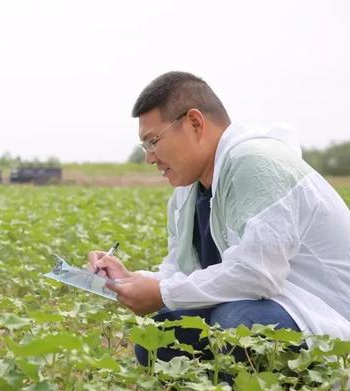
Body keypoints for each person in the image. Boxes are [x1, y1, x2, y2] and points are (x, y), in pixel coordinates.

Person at [88, 71, 350, 365]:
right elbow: (186, 273)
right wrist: (131, 280)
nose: (149, 157)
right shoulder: (189, 189)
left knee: (238, 324)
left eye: (153, 141)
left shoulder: (256, 163)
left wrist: (162, 292)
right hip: (271, 303)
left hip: (325, 317)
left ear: (195, 123)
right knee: (163, 333)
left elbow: (258, 275)